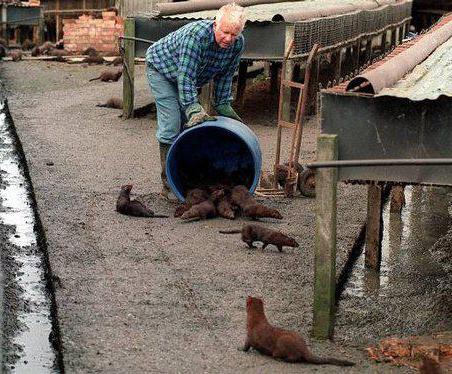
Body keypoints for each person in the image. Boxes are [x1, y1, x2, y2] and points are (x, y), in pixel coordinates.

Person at [145, 3, 247, 198]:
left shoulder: (237, 44)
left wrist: (223, 103)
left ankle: (187, 177)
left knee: (190, 126)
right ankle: (168, 185)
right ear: (215, 24)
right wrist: (193, 107)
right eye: (225, 32)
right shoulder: (196, 37)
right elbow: (186, 77)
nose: (229, 39)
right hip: (162, 71)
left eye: (234, 35)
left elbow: (226, 75)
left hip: (188, 76)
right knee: (172, 124)